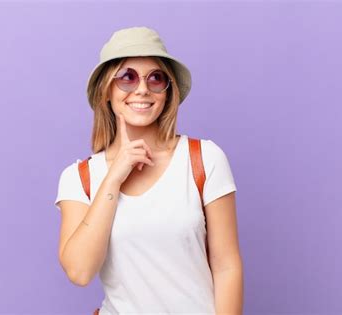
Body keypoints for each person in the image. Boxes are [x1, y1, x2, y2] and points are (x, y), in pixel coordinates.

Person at [54, 26, 243, 315]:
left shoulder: (204, 159)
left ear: (168, 92)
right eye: (127, 77)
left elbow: (227, 265)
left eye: (156, 78)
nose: (142, 89)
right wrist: (113, 178)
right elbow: (79, 271)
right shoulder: (79, 178)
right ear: (107, 90)